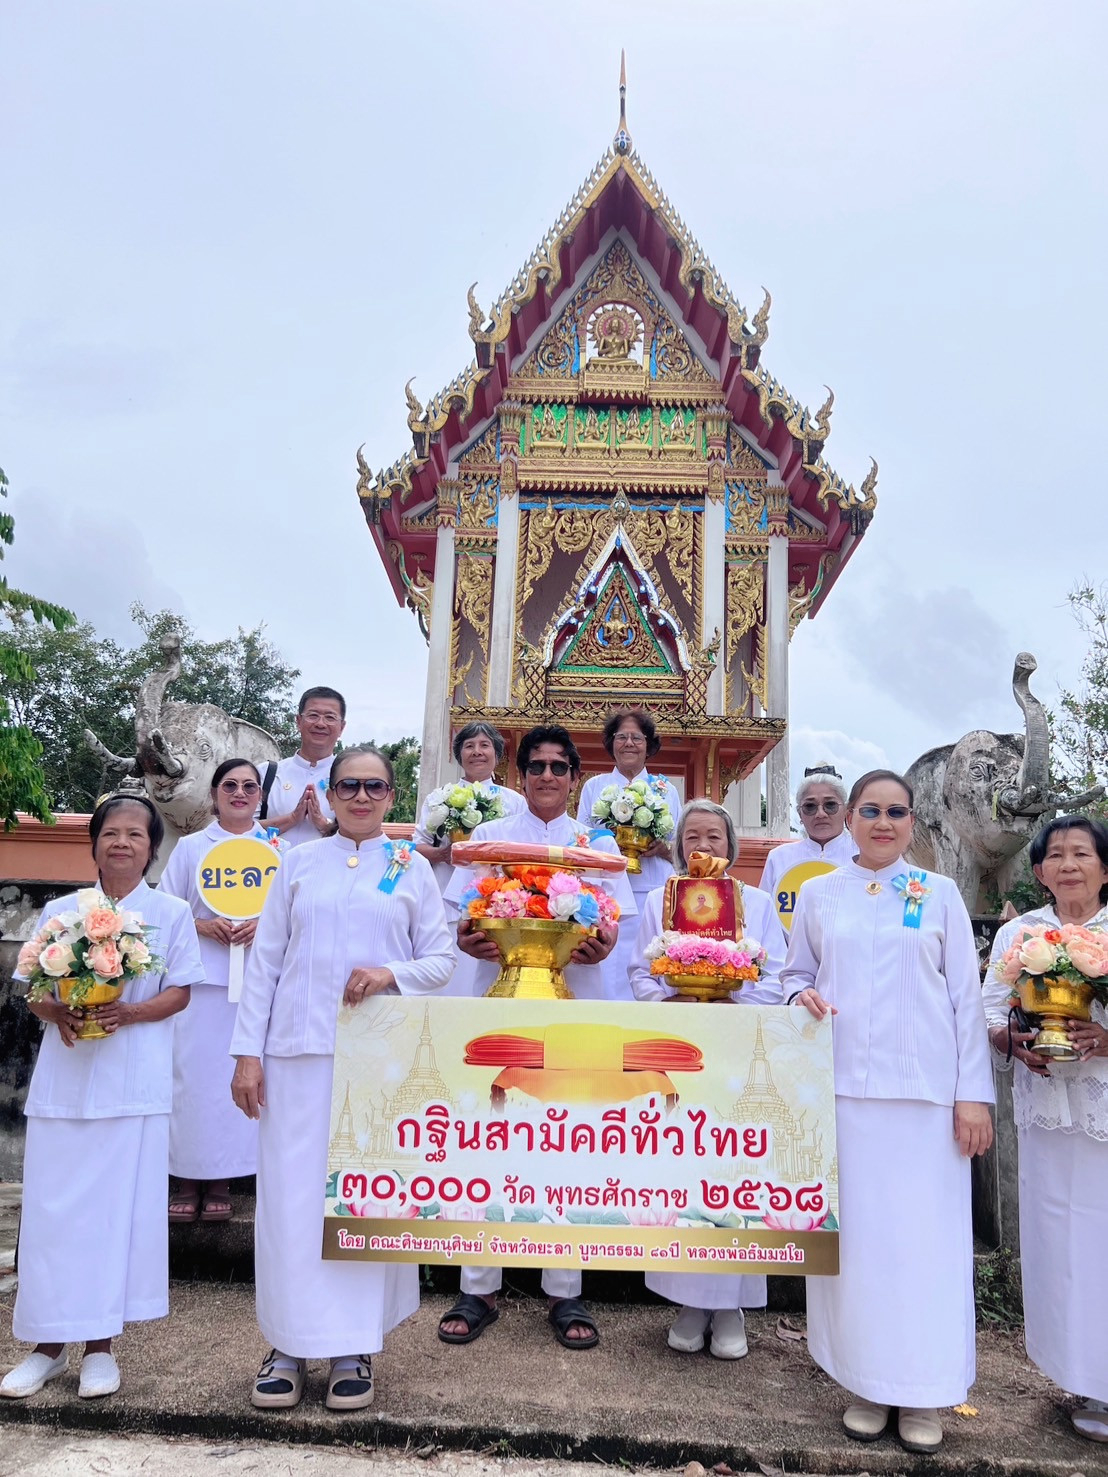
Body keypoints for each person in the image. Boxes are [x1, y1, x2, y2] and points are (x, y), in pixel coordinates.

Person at [230, 746, 454, 1412]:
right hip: (295, 1056)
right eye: (348, 784)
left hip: (375, 1064)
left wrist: (392, 973)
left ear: (393, 794)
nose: (361, 795)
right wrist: (247, 1053)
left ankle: (355, 1346)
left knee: (362, 1199)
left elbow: (440, 960)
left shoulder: (411, 869)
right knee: (292, 1205)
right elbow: (265, 963)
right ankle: (287, 1346)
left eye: (374, 785)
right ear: (328, 792)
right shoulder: (296, 864)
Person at [781, 770, 994, 1455]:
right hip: (844, 1095)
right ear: (846, 818)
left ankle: (928, 1388)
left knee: (924, 1251)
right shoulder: (818, 894)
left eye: (895, 811)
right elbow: (792, 977)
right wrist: (798, 1001)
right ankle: (868, 1382)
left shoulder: (939, 896)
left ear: (911, 822)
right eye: (869, 809)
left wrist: (973, 1095)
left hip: (928, 1104)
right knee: (863, 1252)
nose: (882, 821)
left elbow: (966, 999)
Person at [438, 724, 636, 1349]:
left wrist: (598, 945)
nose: (547, 777)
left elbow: (616, 929)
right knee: (485, 1133)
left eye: (559, 767)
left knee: (566, 1139)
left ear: (576, 777)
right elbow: (460, 916)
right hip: (496, 1002)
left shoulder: (596, 842)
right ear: (519, 775)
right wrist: (472, 937)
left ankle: (566, 1289)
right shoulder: (490, 837)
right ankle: (478, 1286)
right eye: (537, 766)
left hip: (571, 1004)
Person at [1, 795, 204, 1401]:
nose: (121, 843)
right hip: (64, 1084)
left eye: (134, 835)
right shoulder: (62, 912)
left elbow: (181, 993)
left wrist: (131, 1010)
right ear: (92, 843)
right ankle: (44, 1348)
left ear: (151, 847)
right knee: (53, 1217)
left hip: (132, 1087)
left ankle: (100, 1350)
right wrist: (56, 1010)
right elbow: (31, 989)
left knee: (117, 1220)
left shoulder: (170, 913)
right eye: (110, 833)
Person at [628, 798, 786, 1358]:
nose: (704, 847)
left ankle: (733, 1304)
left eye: (714, 837)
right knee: (684, 1174)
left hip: (739, 1052)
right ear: (676, 848)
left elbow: (777, 976)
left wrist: (734, 1003)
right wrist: (675, 1004)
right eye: (692, 837)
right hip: (679, 1050)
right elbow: (638, 973)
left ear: (732, 846)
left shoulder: (758, 903)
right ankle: (690, 1301)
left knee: (737, 1173)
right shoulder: (657, 901)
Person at [982, 815, 1108, 1445]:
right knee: (1060, 1243)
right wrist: (1013, 1040)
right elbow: (985, 1017)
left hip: (1105, 1111)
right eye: (1054, 854)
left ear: (1105, 868)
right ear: (1037, 872)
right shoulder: (1019, 933)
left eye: (1081, 853)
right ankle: (1081, 1376)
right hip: (1049, 1115)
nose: (1068, 864)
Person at [159, 758, 282, 1223]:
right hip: (200, 983)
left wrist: (261, 923)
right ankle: (189, 1178)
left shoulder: (278, 849)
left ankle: (225, 1179)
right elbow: (165, 913)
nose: (240, 793)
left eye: (249, 786)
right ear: (214, 793)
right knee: (195, 1080)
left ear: (260, 796)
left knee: (240, 1078)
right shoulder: (191, 849)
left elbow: (293, 914)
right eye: (229, 785)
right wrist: (203, 926)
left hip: (254, 983)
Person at [576, 707, 682, 1000]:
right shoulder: (594, 786)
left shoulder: (666, 790)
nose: (629, 743)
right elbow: (582, 839)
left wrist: (663, 848)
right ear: (611, 743)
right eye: (621, 736)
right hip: (608, 890)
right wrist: (610, 842)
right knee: (609, 967)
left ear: (649, 745)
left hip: (653, 888)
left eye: (637, 737)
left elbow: (681, 847)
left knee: (650, 959)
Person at [413, 721, 525, 893]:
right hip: (444, 891)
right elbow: (418, 847)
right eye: (469, 746)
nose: (477, 752)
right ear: (459, 754)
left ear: (497, 754)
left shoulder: (515, 801)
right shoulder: (438, 798)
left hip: (498, 896)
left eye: (484, 745)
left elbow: (523, 849)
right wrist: (443, 854)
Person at [758, 764, 856, 922]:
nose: (820, 814)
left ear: (846, 810)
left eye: (830, 805)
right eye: (810, 806)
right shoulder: (779, 857)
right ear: (800, 814)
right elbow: (764, 916)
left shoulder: (864, 853)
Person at [262, 686, 346, 847]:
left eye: (330, 717)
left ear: (342, 727)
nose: (320, 724)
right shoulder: (267, 774)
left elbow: (360, 834)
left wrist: (323, 823)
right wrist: (292, 818)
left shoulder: (351, 779)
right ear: (299, 722)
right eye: (313, 715)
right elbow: (243, 830)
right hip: (273, 869)